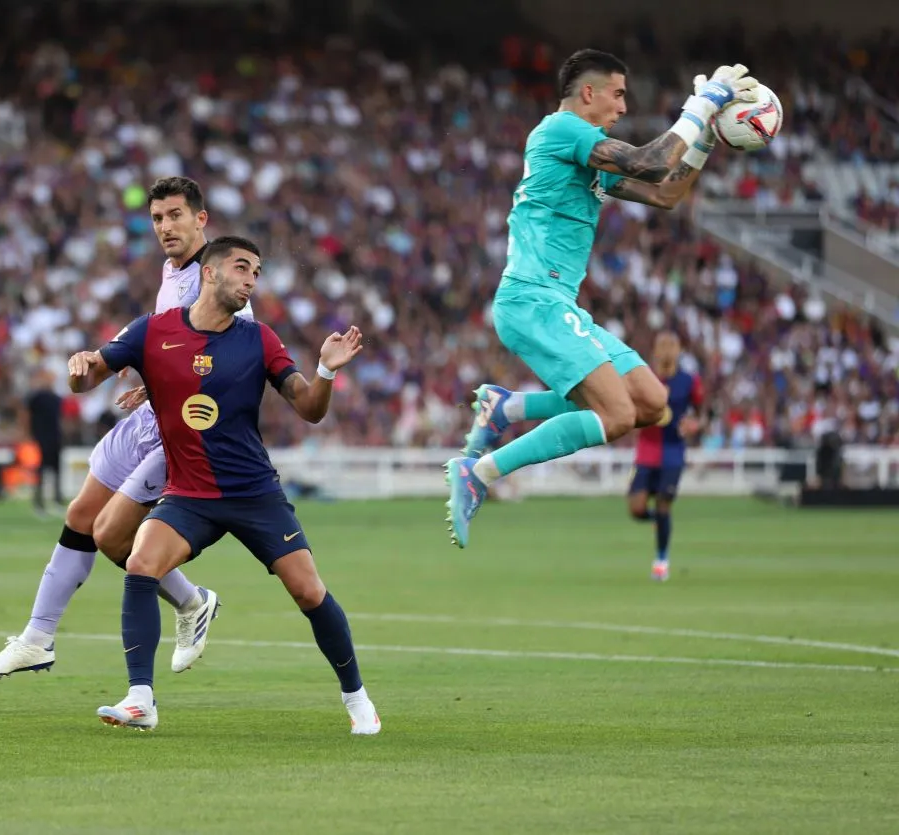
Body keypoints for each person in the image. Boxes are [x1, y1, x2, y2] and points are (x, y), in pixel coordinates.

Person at [67, 236, 380, 735]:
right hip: (189, 495)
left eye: (256, 272)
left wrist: (325, 370)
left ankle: (357, 698)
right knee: (141, 562)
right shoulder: (153, 332)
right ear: (209, 273)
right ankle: (140, 698)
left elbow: (309, 409)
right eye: (241, 267)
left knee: (307, 591)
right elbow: (88, 378)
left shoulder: (259, 339)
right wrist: (80, 367)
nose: (251, 279)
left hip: (254, 494)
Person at [445, 52, 757, 547]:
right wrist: (701, 105)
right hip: (534, 300)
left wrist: (707, 137)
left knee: (651, 402)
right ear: (588, 93)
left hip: (558, 304)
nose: (624, 106)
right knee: (616, 415)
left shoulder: (584, 151)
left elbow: (665, 193)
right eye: (618, 94)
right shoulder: (562, 130)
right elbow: (650, 162)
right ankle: (480, 472)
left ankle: (506, 407)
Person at [0, 177, 243, 679]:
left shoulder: (221, 278)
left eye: (176, 215)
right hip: (152, 414)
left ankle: (189, 606)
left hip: (186, 431)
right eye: (158, 218)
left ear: (201, 218)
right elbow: (176, 338)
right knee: (81, 514)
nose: (165, 227)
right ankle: (36, 640)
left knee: (112, 535)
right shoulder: (173, 270)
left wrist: (162, 378)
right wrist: (149, 376)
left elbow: (232, 360)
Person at [627, 331, 704, 581]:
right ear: (655, 350)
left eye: (673, 345)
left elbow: (702, 412)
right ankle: (658, 521)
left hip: (673, 452)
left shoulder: (689, 381)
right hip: (647, 450)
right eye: (663, 345)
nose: (668, 350)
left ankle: (661, 560)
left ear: (680, 350)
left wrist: (695, 424)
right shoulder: (643, 377)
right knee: (636, 508)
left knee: (664, 502)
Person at [25, 368, 64, 517]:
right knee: (40, 472)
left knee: (56, 471)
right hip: (40, 439)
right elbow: (26, 415)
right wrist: (28, 434)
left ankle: (56, 501)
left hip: (54, 438)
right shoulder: (36, 398)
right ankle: (39, 503)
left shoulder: (56, 398)